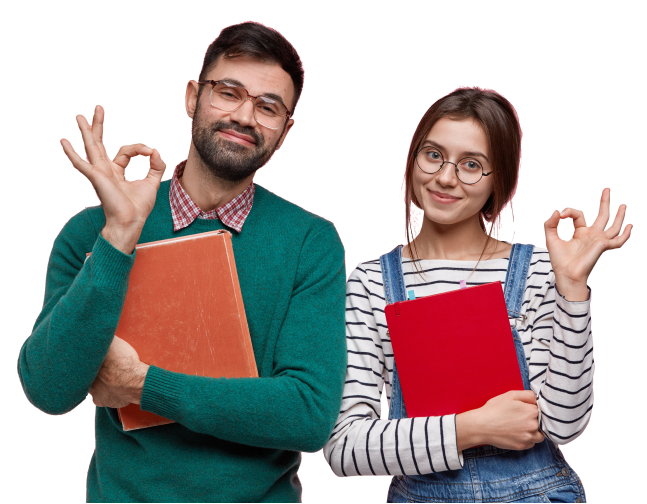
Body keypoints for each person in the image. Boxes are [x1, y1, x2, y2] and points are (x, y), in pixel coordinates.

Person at [18, 21, 347, 502]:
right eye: (228, 92)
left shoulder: (311, 243)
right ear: (193, 96)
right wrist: (119, 237)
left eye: (268, 106)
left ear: (286, 129)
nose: (244, 116)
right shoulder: (93, 231)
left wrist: (142, 384)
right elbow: (48, 388)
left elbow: (308, 414)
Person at [323, 85, 632, 502]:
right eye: (433, 155)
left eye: (472, 164)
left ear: (498, 182)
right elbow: (344, 448)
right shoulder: (370, 284)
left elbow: (565, 425)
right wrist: (473, 428)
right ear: (412, 159)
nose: (445, 177)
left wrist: (573, 289)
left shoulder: (541, 272)